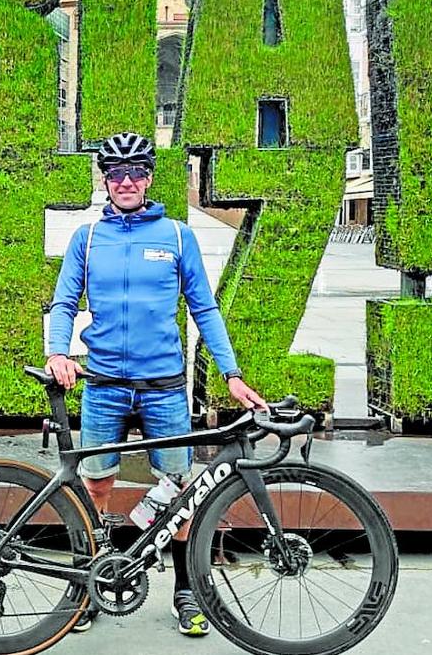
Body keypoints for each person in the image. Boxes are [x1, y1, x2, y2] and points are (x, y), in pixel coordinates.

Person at [45, 132, 268, 637]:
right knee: (94, 487)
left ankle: (187, 593)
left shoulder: (176, 235)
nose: (126, 182)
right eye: (116, 174)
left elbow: (204, 308)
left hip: (165, 386)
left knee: (179, 493)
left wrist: (230, 373)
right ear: (104, 180)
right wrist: (58, 351)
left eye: (136, 173)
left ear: (149, 178)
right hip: (102, 384)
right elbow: (63, 303)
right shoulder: (87, 239)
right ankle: (86, 588)